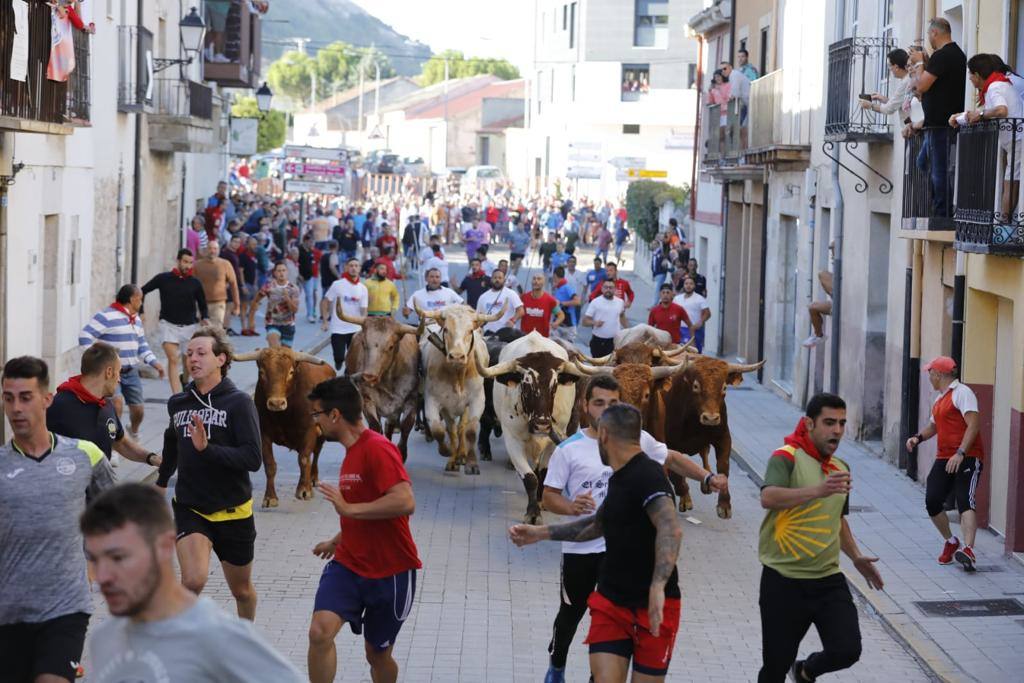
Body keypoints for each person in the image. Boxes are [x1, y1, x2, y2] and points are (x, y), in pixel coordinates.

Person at [537, 376, 726, 683]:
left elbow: (674, 460)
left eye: (613, 403)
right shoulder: (568, 450)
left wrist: (706, 478)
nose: (605, 410)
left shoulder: (637, 440)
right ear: (585, 406)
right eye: (599, 403)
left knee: (606, 630)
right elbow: (549, 497)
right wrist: (570, 508)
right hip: (580, 550)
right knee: (571, 614)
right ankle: (556, 665)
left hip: (616, 555)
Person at [509, 403, 684, 683]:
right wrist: (539, 534)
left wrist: (658, 585)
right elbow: (598, 525)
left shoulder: (648, 475)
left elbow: (670, 528)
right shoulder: (619, 477)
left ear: (603, 435)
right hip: (612, 602)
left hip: (652, 606)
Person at [81, 484, 305, 682]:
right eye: (94, 560)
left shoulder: (219, 638)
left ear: (165, 546)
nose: (103, 577)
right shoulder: (103, 640)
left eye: (118, 558)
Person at [0, 355, 116, 683]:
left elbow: (117, 514)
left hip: (66, 607)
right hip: (9, 611)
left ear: (47, 399)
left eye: (26, 397)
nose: (16, 408)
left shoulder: (85, 455)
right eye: (9, 398)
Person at [758, 393, 884, 682]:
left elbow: (837, 517)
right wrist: (817, 490)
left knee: (847, 649)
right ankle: (790, 668)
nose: (837, 431)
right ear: (809, 423)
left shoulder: (840, 469)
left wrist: (855, 556)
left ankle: (805, 670)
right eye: (829, 423)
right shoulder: (785, 457)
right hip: (783, 581)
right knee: (775, 667)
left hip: (827, 580)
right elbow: (768, 497)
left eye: (841, 423)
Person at [307, 377, 422, 683]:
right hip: (348, 564)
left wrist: (349, 510)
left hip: (391, 571)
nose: (314, 421)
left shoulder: (378, 449)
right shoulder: (352, 450)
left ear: (334, 415)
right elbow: (365, 505)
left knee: (377, 655)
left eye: (316, 414)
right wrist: (336, 540)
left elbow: (405, 500)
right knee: (319, 633)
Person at [155, 328, 262, 621]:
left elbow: (253, 459)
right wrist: (162, 481)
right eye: (189, 354)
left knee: (241, 591)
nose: (193, 359)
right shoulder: (179, 402)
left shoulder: (240, 403)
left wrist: (207, 449)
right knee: (193, 581)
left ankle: (245, 638)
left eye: (201, 353)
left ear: (221, 359)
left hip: (233, 511)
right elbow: (172, 441)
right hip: (191, 507)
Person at [906, 356, 984, 571]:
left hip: (967, 456)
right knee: (932, 501)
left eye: (930, 373)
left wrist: (960, 453)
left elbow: (974, 425)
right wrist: (918, 438)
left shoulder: (962, 393)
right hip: (944, 458)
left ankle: (968, 549)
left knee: (964, 501)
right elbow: (933, 427)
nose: (929, 377)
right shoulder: (940, 400)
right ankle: (951, 542)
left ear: (938, 374)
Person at [48, 342, 161, 469]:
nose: (119, 379)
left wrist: (152, 458)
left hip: (100, 485)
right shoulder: (58, 405)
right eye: (119, 372)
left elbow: (121, 443)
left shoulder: (106, 404)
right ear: (108, 372)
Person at [79, 284, 166, 437]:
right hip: (111, 372)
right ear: (132, 299)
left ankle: (133, 432)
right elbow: (85, 336)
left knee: (139, 410)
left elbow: (142, 345)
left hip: (131, 371)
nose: (141, 303)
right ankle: (113, 442)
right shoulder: (106, 316)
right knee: (116, 405)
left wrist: (155, 363)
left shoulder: (136, 320)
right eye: (140, 299)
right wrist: (95, 359)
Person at [950, 53, 1023, 222]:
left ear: (976, 75)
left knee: (1011, 182)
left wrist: (981, 115)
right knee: (1011, 181)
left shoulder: (995, 87)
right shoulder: (997, 84)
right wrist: (960, 117)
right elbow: (981, 112)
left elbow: (1000, 110)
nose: (970, 80)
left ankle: (1004, 226)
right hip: (1014, 141)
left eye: (970, 75)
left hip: (1017, 140)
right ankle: (1004, 224)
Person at [914, 17, 967, 217]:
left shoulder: (943, 55)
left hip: (940, 125)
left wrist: (920, 63)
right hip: (936, 123)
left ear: (935, 33)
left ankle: (941, 212)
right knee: (925, 162)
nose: (929, 38)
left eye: (929, 34)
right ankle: (940, 206)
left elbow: (920, 86)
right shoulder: (955, 54)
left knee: (939, 171)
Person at [141, 249, 209, 394]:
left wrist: (205, 317)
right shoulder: (163, 279)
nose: (188, 266)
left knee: (188, 360)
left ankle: (184, 380)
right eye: (185, 262)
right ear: (178, 261)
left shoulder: (195, 283)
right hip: (168, 325)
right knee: (173, 359)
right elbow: (142, 291)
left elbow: (202, 303)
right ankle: (177, 396)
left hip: (189, 327)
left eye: (191, 263)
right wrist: (141, 311)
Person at [322, 258, 369, 371]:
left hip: (355, 329)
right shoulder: (337, 284)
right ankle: (338, 361)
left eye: (356, 266)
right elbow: (325, 302)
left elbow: (364, 310)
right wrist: (325, 320)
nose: (353, 268)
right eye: (351, 265)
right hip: (338, 328)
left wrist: (365, 325)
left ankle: (348, 375)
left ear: (359, 269)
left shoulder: (363, 289)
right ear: (346, 267)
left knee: (354, 358)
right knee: (339, 356)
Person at [193, 240, 241, 330]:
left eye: (215, 248)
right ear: (205, 250)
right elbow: (190, 285)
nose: (212, 251)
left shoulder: (225, 264)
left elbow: (233, 285)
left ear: (218, 250)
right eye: (210, 248)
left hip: (218, 304)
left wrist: (237, 305)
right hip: (201, 304)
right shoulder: (197, 265)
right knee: (201, 331)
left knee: (216, 331)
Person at [250, 261, 301, 348]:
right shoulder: (269, 286)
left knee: (284, 356)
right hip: (272, 323)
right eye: (279, 271)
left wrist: (287, 298)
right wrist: (251, 320)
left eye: (284, 270)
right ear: (274, 273)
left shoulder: (293, 288)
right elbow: (255, 301)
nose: (281, 273)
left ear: (287, 272)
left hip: (288, 324)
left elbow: (295, 310)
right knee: (275, 350)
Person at [861, 49, 912, 119]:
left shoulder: (906, 82)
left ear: (896, 67)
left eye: (889, 65)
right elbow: (896, 103)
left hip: (911, 127)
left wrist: (870, 106)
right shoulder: (906, 80)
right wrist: (883, 99)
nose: (889, 69)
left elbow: (889, 109)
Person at [583, 279, 627, 357]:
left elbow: (622, 315)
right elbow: (584, 321)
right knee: (597, 367)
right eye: (606, 287)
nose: (608, 290)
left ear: (615, 289)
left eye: (611, 287)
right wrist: (594, 322)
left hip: (614, 341)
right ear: (602, 288)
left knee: (612, 366)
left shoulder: (620, 302)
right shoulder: (595, 302)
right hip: (598, 341)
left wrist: (628, 329)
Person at [476, 268, 524, 335]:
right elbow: (478, 315)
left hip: (508, 333)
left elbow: (521, 310)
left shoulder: (511, 293)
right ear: (491, 280)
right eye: (495, 278)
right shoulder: (483, 297)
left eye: (500, 278)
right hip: (488, 335)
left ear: (504, 280)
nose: (497, 280)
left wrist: (513, 320)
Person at [672, 276, 711, 353]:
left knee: (695, 352)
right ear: (683, 285)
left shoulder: (700, 299)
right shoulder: (677, 298)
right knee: (680, 353)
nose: (688, 286)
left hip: (694, 329)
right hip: (680, 329)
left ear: (694, 286)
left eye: (691, 284)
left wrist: (701, 322)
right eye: (686, 283)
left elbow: (707, 313)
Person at [802, 271, 834, 348]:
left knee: (812, 307)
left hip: (837, 301)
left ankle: (819, 335)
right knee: (812, 306)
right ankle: (818, 335)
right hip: (834, 301)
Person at [551, 266, 582, 343]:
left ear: (554, 276)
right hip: (558, 325)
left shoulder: (567, 288)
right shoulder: (558, 288)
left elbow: (577, 301)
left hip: (569, 327)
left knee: (568, 353)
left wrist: (562, 303)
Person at [298, 233, 319, 323]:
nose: (312, 244)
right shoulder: (299, 250)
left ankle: (310, 314)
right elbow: (295, 263)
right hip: (299, 277)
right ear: (306, 241)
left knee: (309, 295)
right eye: (310, 242)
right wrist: (298, 275)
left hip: (309, 277)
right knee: (295, 295)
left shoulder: (310, 251)